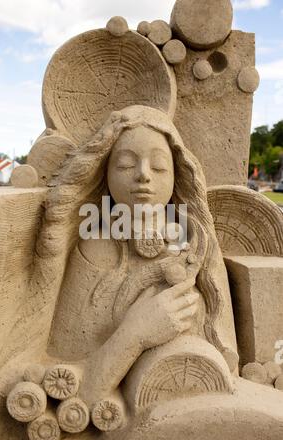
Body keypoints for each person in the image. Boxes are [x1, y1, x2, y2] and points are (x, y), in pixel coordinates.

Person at [36, 105, 237, 406]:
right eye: (126, 165)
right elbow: (70, 381)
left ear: (176, 176)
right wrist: (137, 334)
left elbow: (227, 362)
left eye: (158, 167)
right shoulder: (95, 249)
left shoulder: (198, 249)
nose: (143, 176)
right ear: (105, 173)